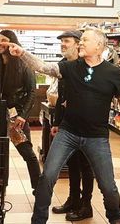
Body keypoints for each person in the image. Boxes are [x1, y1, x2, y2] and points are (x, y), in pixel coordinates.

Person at [4, 27, 120, 224]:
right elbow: (43, 67)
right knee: (47, 177)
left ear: (99, 46)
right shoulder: (71, 66)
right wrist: (22, 53)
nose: (80, 43)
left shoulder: (114, 73)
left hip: (97, 137)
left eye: (85, 40)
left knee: (108, 186)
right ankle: (38, 220)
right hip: (68, 133)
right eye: (80, 40)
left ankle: (116, 219)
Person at [0, 29, 41, 195]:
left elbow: (32, 91)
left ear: (13, 43)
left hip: (15, 117)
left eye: (4, 40)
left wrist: (23, 116)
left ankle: (38, 188)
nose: (0, 43)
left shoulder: (23, 64)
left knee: (27, 153)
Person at [51, 30, 94, 222]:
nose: (62, 44)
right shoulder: (63, 66)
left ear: (78, 44)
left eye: (66, 41)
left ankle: (86, 205)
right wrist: (56, 122)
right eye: (61, 41)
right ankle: (73, 200)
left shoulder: (89, 66)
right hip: (68, 124)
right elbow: (61, 97)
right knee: (72, 163)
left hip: (87, 125)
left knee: (86, 165)